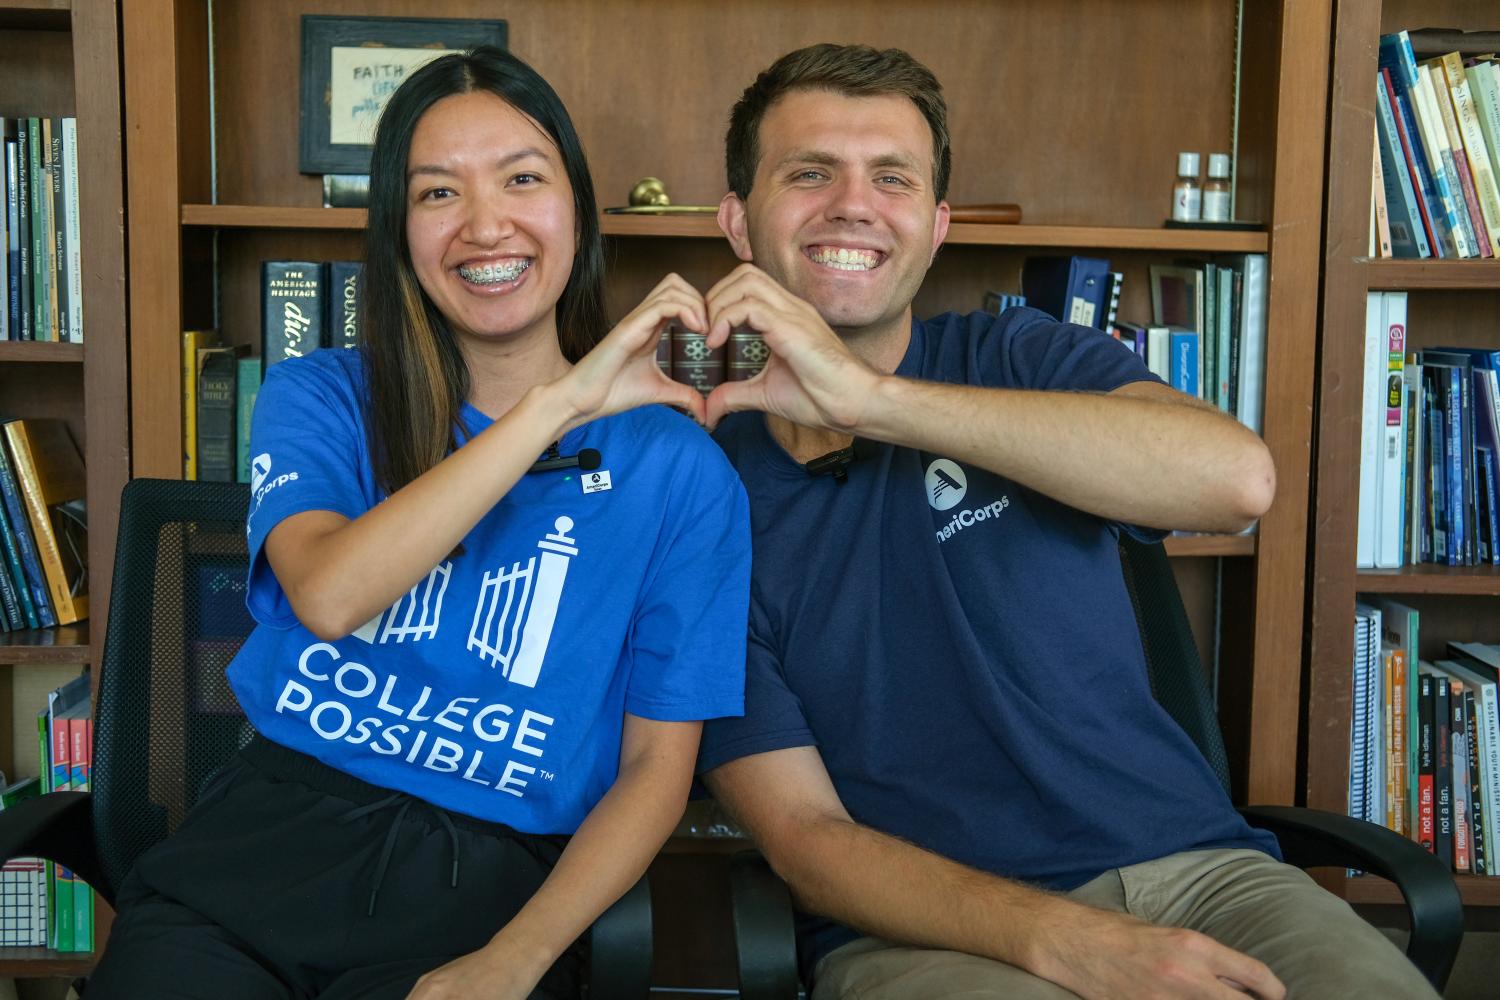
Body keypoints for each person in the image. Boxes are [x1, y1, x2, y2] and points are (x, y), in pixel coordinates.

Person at [692, 43, 1439, 1000]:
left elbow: (1237, 481)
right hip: (929, 931)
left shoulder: (1023, 353)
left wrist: (868, 401)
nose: (853, 203)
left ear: (936, 224)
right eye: (808, 173)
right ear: (736, 224)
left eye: (893, 177)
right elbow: (806, 841)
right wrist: (1070, 941)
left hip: (1206, 879)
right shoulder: (702, 502)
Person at [88, 46, 750, 1000]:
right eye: (438, 194)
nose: (487, 225)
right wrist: (558, 406)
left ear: (577, 208)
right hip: (268, 843)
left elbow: (654, 770)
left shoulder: (682, 474)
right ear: (398, 229)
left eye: (523, 179)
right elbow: (327, 592)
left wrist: (515, 959)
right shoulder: (321, 396)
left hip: (488, 881)